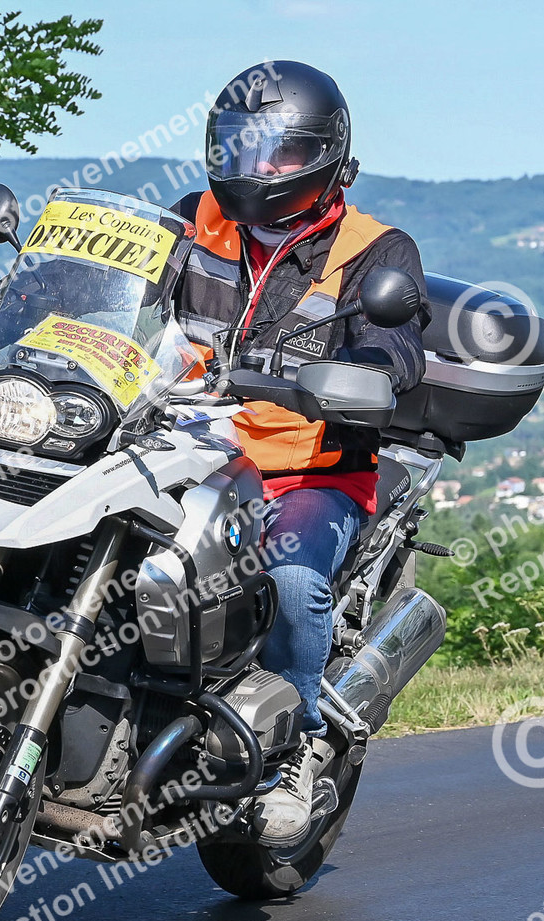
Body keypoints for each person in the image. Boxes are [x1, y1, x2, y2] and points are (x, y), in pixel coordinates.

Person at [171, 61, 429, 846]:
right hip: (186, 450)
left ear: (323, 155)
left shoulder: (375, 251)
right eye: (241, 147)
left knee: (289, 577)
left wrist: (367, 374)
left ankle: (297, 749)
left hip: (309, 474)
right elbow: (116, 291)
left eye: (277, 151)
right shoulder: (191, 219)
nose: (256, 167)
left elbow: (394, 349)